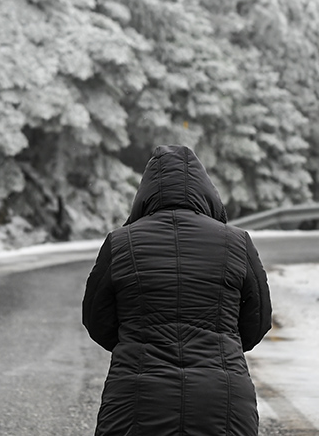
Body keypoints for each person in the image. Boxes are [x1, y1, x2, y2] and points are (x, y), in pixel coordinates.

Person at [82, 144, 272, 436]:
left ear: (145, 194)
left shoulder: (121, 243)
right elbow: (257, 320)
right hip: (222, 397)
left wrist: (136, 343)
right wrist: (223, 346)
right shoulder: (236, 242)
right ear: (206, 191)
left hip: (136, 396)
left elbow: (97, 319)